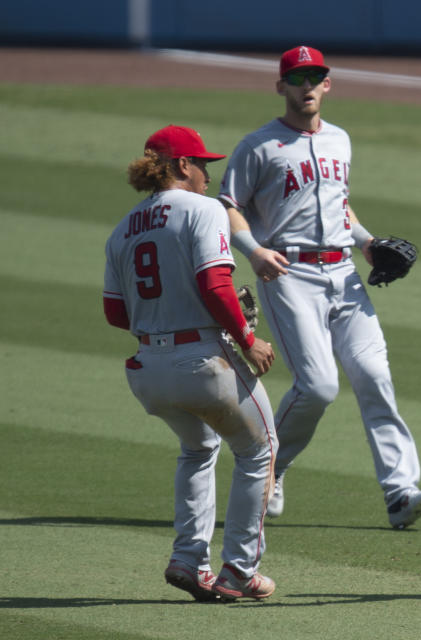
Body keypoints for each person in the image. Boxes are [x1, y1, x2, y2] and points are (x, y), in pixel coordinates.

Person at [218, 46, 421, 529]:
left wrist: (368, 243)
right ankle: (270, 471)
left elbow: (339, 205)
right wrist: (252, 251)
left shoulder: (340, 140)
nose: (307, 86)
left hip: (345, 275)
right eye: (297, 78)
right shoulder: (258, 146)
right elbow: (228, 203)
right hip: (289, 275)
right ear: (281, 86)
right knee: (318, 387)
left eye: (315, 77)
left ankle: (400, 493)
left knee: (375, 378)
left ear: (328, 84)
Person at [103, 125, 279, 602]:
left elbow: (115, 312)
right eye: (202, 164)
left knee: (199, 447)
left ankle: (187, 558)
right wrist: (246, 338)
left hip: (148, 371)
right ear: (181, 165)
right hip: (204, 362)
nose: (207, 174)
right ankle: (239, 569)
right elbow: (216, 284)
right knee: (259, 449)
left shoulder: (122, 229)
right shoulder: (204, 210)